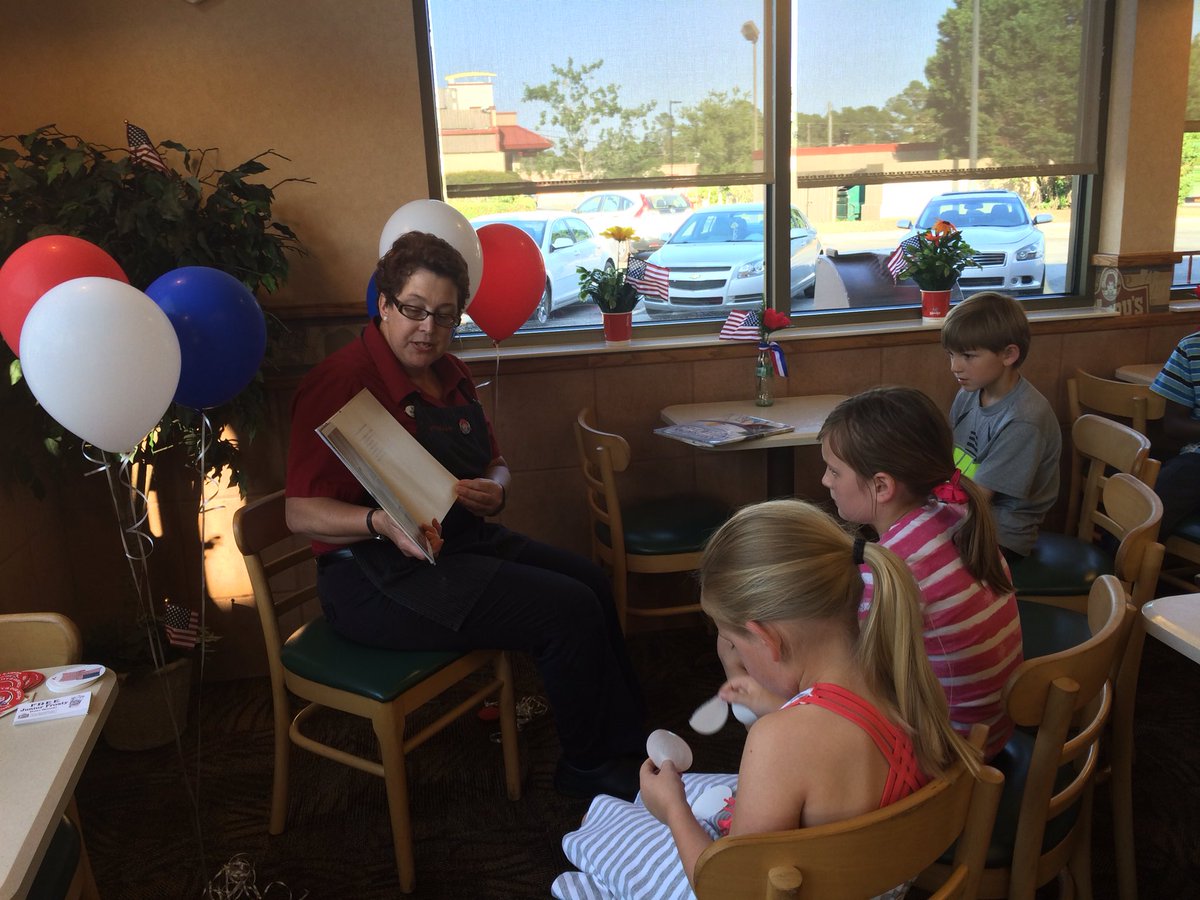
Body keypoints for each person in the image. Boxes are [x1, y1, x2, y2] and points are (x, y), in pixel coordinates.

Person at [285, 230, 646, 801]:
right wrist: (379, 523)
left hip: (456, 545)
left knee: (591, 582)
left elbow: (497, 465)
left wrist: (496, 490)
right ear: (383, 303)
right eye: (414, 310)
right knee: (566, 611)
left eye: (445, 316)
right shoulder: (340, 381)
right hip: (375, 579)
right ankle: (588, 768)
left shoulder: (449, 372)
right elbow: (299, 513)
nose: (428, 329)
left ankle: (629, 740)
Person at [552, 499, 980, 900]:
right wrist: (778, 708)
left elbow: (732, 888)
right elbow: (843, 744)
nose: (735, 655)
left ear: (765, 638)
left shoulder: (779, 742)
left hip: (774, 889)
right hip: (876, 881)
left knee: (583, 869)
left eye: (733, 643)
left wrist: (674, 811)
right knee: (629, 815)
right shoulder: (903, 676)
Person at [817, 387, 1023, 759]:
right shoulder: (958, 515)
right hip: (992, 730)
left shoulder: (890, 568)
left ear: (881, 486)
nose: (825, 482)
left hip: (948, 751)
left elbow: (860, 676)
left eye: (834, 471)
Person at [941, 290, 1061, 563]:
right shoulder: (970, 392)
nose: (955, 367)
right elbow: (947, 464)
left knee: (914, 560)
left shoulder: (1024, 418)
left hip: (1001, 535)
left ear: (1008, 355)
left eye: (968, 356)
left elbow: (979, 498)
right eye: (951, 354)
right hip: (965, 513)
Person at [1149, 329, 1200, 538]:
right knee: (1153, 503)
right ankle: (1122, 564)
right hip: (1196, 459)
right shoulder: (1191, 348)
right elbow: (1173, 424)